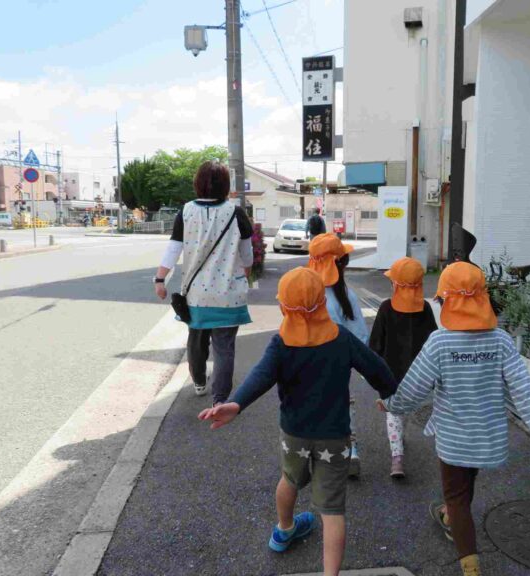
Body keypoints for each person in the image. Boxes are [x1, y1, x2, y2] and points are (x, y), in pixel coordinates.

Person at [377, 262, 530, 576]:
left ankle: (470, 566)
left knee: (456, 497)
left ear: (446, 301)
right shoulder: (501, 341)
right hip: (488, 440)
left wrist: (390, 404)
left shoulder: (440, 344)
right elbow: (526, 395)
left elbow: (412, 390)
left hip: (454, 440)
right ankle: (447, 515)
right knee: (464, 487)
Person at [198, 267, 396, 576]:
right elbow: (377, 370)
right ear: (321, 301)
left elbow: (261, 375)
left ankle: (284, 529)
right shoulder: (340, 338)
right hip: (335, 436)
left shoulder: (281, 342)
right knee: (332, 510)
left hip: (295, 435)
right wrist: (390, 394)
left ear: (283, 306)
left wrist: (237, 403)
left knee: (290, 479)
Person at [154, 161, 254, 406]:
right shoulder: (236, 212)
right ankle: (220, 400)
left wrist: (160, 279)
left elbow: (173, 249)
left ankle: (199, 382)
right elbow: (248, 256)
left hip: (197, 294)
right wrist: (246, 277)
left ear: (198, 183)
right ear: (225, 186)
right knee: (225, 348)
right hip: (229, 294)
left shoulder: (186, 211)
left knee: (196, 340)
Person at [368, 257, 437, 479]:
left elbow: (375, 344)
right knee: (401, 410)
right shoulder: (424, 308)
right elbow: (433, 341)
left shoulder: (387, 308)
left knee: (394, 412)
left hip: (390, 374)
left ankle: (397, 458)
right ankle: (398, 442)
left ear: (396, 285)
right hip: (418, 376)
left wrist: (372, 371)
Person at [308, 233, 368, 477]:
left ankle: (311, 452)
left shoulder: (305, 292)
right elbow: (360, 336)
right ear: (341, 264)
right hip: (338, 363)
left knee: (311, 404)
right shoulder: (347, 297)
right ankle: (351, 450)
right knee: (343, 403)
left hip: (306, 363)